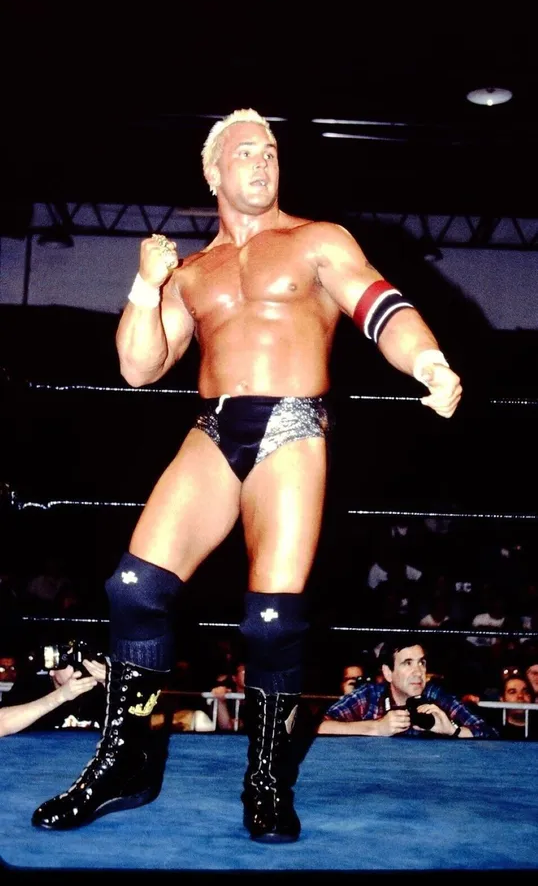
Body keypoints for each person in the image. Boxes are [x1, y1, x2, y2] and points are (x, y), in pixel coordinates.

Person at [32, 108, 462, 842]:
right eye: (245, 152)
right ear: (213, 171)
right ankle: (124, 764)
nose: (262, 162)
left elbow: (379, 304)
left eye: (270, 151)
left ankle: (264, 781)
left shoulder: (317, 240)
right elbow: (138, 367)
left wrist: (429, 361)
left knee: (272, 618)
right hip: (214, 425)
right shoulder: (192, 271)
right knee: (134, 587)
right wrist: (146, 285)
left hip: (293, 423)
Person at [318, 640, 496, 738]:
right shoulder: (369, 696)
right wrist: (375, 727)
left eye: (421, 663)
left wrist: (453, 730)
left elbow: (490, 735)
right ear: (388, 673)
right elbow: (317, 726)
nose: (418, 672)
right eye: (407, 663)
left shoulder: (436, 696)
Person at [0, 659, 102, 737]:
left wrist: (109, 683)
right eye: (69, 661)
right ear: (52, 669)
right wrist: (60, 695)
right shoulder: (31, 688)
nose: (77, 668)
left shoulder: (98, 691)